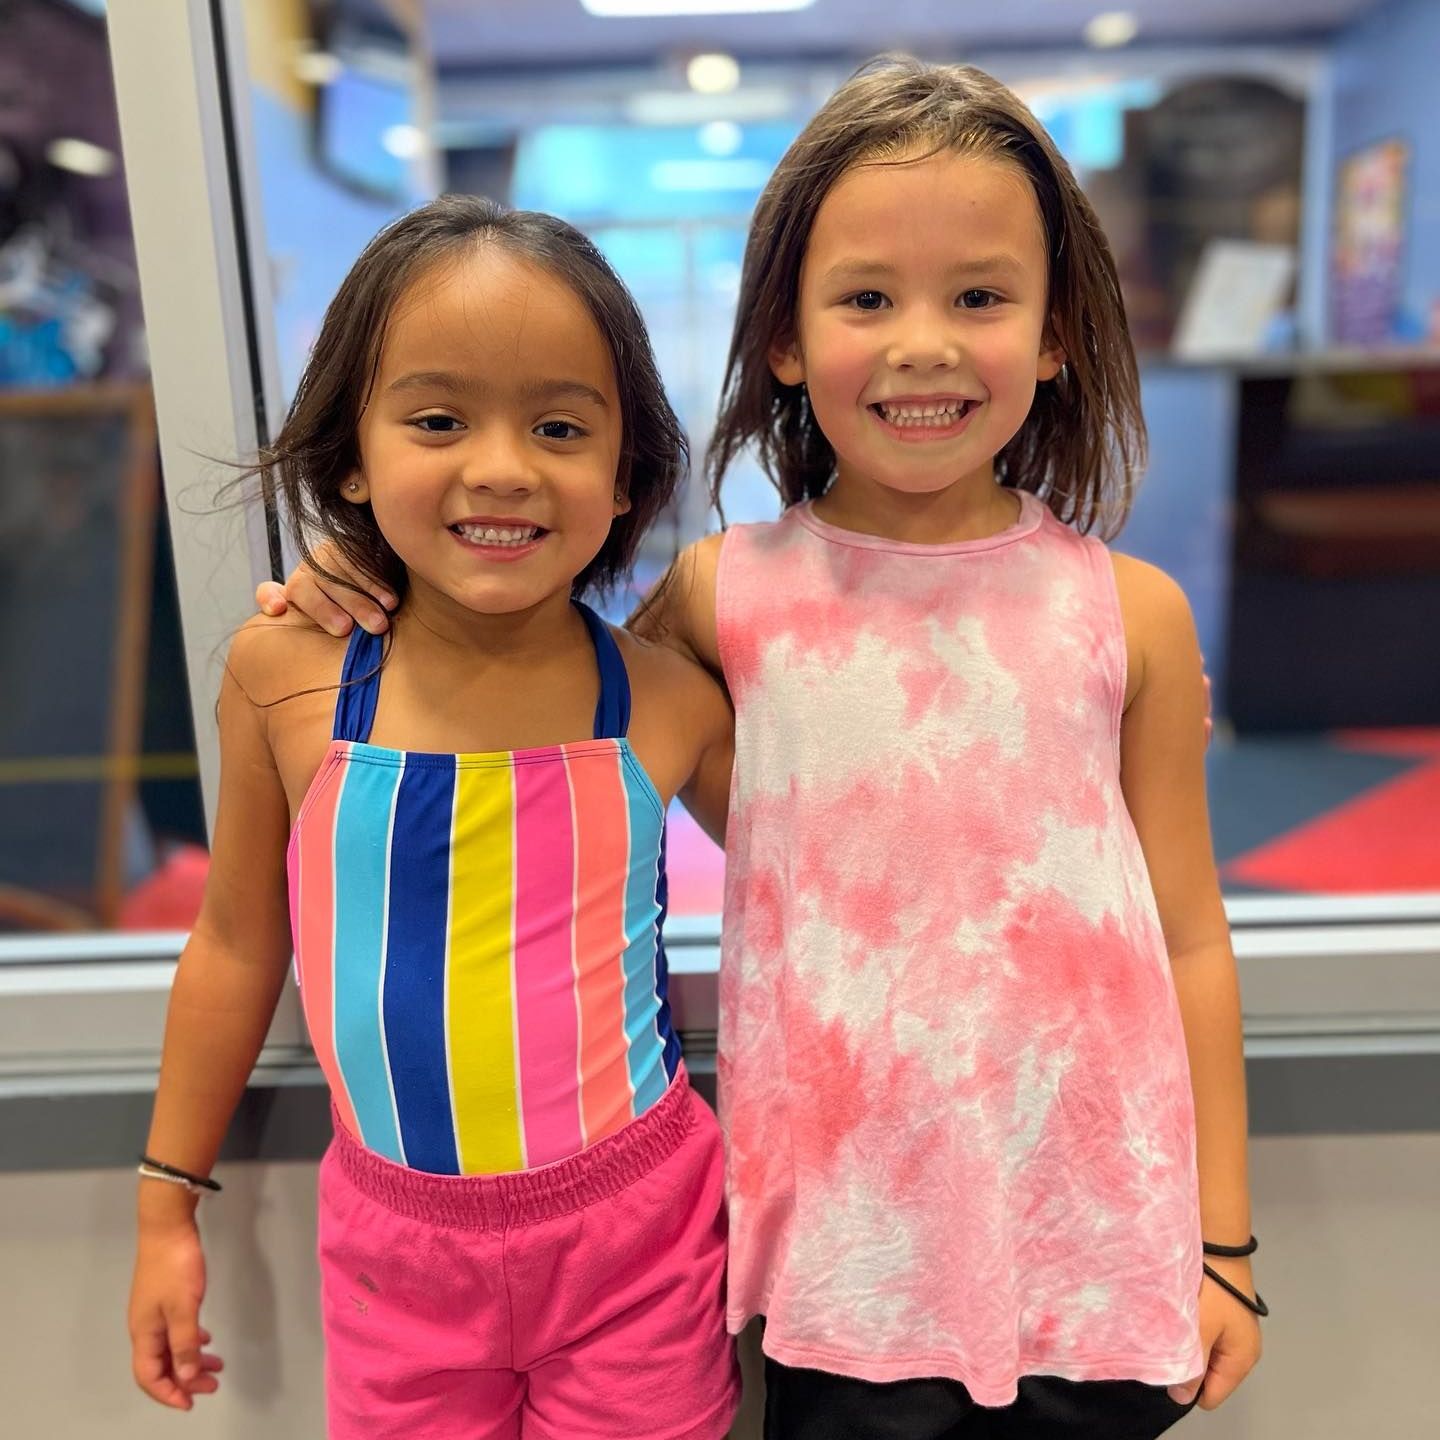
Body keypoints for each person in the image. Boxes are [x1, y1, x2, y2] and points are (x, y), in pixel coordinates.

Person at [259, 59, 1265, 1440]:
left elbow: (1190, 940)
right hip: (844, 1272)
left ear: (1056, 334)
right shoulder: (723, 598)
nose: (922, 342)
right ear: (784, 336)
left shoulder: (1127, 612)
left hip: (1096, 1248)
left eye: (979, 296)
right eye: (866, 297)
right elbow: (512, 653)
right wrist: (349, 581)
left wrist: (1226, 1245)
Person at [128, 196, 739, 1440]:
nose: (503, 467)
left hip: (642, 1238)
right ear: (351, 454)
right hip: (393, 1253)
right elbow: (240, 945)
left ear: (625, 473)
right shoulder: (285, 675)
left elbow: (847, 877)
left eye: (560, 425)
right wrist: (163, 1206)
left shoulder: (672, 697)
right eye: (439, 419)